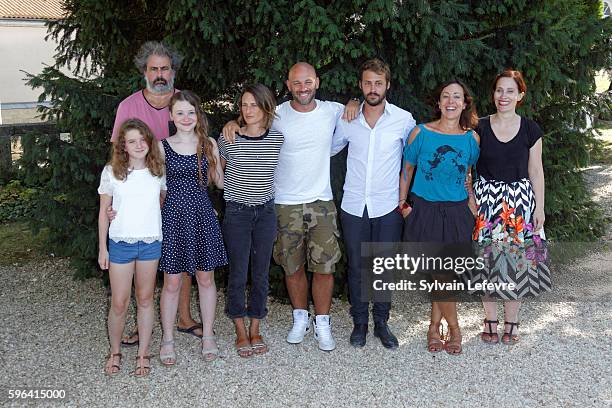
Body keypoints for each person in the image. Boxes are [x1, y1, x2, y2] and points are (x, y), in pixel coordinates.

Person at [223, 63, 359, 351]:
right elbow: (250, 123)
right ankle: (300, 317)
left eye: (307, 81)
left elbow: (354, 110)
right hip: (283, 202)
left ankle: (323, 321)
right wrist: (233, 123)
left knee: (324, 266)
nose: (303, 87)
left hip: (321, 200)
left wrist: (355, 100)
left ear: (317, 82)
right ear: (288, 85)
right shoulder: (277, 115)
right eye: (297, 83)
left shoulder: (332, 110)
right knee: (291, 264)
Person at [110, 41, 204, 346]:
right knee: (146, 258)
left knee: (183, 254)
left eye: (165, 68)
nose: (160, 74)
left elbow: (204, 137)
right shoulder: (128, 106)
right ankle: (144, 323)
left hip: (182, 190)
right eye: (154, 68)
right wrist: (113, 200)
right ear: (144, 71)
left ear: (173, 71)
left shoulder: (185, 102)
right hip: (143, 196)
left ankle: (185, 316)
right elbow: (116, 155)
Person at [331, 59, 415, 349]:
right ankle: (359, 323)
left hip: (388, 205)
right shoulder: (348, 118)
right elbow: (328, 148)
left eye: (378, 83)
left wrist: (407, 199)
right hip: (354, 204)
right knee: (356, 266)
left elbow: (414, 157)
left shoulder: (403, 120)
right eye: (367, 83)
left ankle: (381, 322)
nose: (373, 88)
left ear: (388, 85)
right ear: (360, 85)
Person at [468, 69, 549, 345]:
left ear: (520, 95)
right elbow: (467, 168)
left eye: (510, 91)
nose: (503, 96)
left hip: (519, 204)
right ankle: (490, 320)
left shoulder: (531, 129)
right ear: (493, 94)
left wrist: (540, 207)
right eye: (499, 90)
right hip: (487, 203)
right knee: (486, 262)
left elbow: (536, 171)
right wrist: (471, 198)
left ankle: (512, 322)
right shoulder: (478, 126)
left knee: (516, 264)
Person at [399, 79, 480, 355]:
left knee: (444, 273)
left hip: (457, 212)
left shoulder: (472, 139)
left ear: (465, 103)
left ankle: (435, 327)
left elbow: (468, 173)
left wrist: (471, 202)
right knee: (440, 272)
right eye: (446, 96)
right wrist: (403, 205)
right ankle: (455, 330)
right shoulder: (420, 133)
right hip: (425, 211)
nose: (451, 102)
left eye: (457, 97)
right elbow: (407, 170)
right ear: (438, 102)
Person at [158, 91, 227, 365]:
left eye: (191, 112)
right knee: (172, 281)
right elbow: (157, 188)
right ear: (171, 117)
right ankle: (167, 339)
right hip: (173, 217)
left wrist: (220, 159)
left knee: (206, 278)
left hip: (201, 215)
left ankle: (208, 335)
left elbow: (219, 184)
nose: (186, 118)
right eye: (180, 113)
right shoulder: (162, 146)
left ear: (197, 114)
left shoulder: (207, 143)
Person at [218, 84, 284, 357]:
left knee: (260, 272)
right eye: (244, 105)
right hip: (237, 214)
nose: (248, 110)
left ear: (266, 106)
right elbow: (218, 177)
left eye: (254, 105)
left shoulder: (277, 139)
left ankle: (256, 326)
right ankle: (240, 329)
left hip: (266, 214)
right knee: (238, 272)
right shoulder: (229, 138)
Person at [98, 119, 166, 377]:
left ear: (149, 141)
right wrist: (102, 248)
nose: (138, 145)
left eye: (142, 139)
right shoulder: (111, 171)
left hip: (150, 242)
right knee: (119, 302)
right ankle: (115, 352)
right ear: (123, 146)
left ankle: (143, 354)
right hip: (120, 243)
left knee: (146, 299)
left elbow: (159, 200)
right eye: (132, 141)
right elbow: (104, 213)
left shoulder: (158, 170)